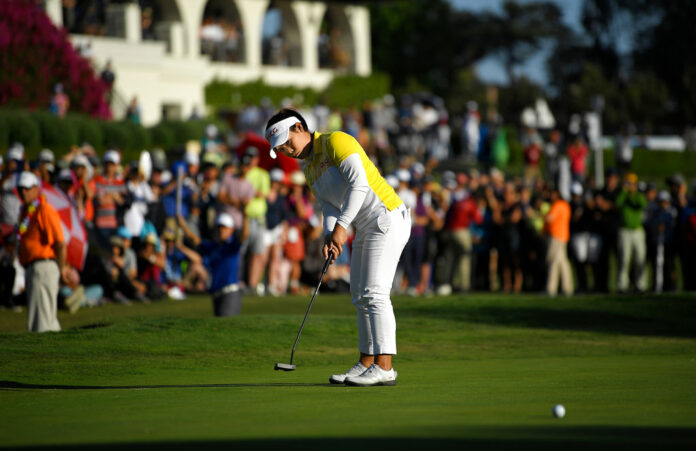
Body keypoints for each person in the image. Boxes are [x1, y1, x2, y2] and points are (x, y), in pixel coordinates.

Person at [265, 108, 411, 387]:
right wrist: (330, 234)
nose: (285, 150)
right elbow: (329, 205)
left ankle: (385, 367)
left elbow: (360, 185)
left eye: (286, 142)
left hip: (386, 217)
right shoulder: (308, 169)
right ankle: (367, 363)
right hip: (365, 226)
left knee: (375, 294)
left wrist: (343, 227)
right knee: (359, 296)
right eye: (279, 148)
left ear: (299, 127)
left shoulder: (336, 141)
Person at [16, 172, 68, 332]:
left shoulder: (44, 209)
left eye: (26, 188)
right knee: (42, 319)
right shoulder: (27, 212)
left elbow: (60, 242)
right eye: (20, 189)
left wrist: (61, 271)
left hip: (44, 267)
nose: (23, 192)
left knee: (42, 323)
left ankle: (45, 355)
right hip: (32, 268)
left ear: (36, 189)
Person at [197, 213, 249, 316]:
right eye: (219, 227)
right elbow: (195, 240)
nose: (221, 230)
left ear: (231, 230)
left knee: (226, 324)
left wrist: (246, 217)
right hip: (216, 293)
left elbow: (245, 235)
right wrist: (182, 224)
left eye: (225, 228)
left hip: (231, 293)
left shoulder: (233, 245)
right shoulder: (212, 246)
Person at [544, 186, 573, 296]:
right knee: (562, 263)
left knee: (553, 262)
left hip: (556, 236)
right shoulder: (565, 205)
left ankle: (551, 289)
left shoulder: (558, 204)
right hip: (563, 236)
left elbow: (550, 218)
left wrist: (537, 214)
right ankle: (567, 288)